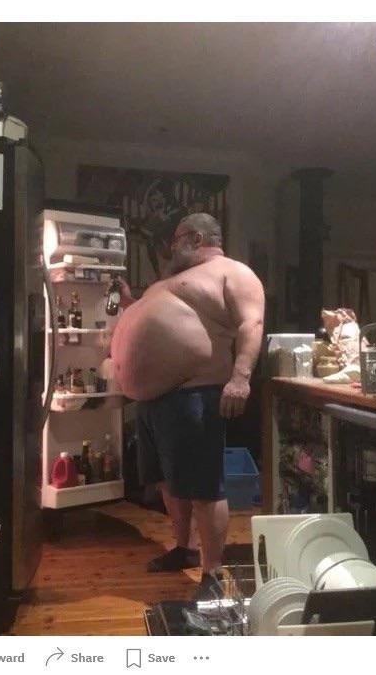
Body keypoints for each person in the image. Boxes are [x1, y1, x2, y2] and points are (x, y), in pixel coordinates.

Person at [111, 213, 265, 600]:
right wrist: (131, 305)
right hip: (152, 402)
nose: (170, 248)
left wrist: (240, 378)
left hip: (193, 395)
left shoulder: (232, 272)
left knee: (203, 488)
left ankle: (212, 571)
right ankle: (185, 548)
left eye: (175, 240)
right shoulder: (169, 282)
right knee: (168, 482)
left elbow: (251, 323)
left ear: (196, 238)